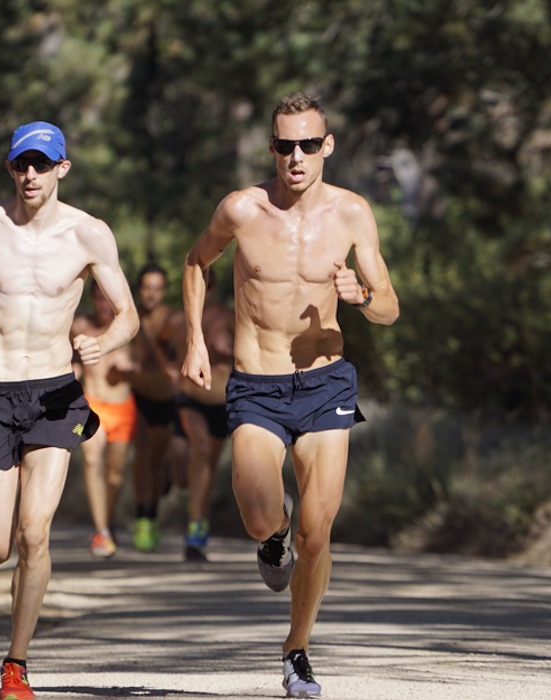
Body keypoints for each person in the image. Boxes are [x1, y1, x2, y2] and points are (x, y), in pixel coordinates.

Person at [182, 93, 399, 698]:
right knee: (259, 515)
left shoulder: (353, 213)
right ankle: (270, 539)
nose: (296, 157)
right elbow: (196, 263)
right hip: (256, 383)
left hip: (326, 382)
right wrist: (195, 342)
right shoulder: (242, 209)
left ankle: (296, 650)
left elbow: (389, 308)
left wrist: (361, 297)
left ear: (327, 146)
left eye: (308, 144)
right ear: (271, 148)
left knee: (318, 532)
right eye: (284, 145)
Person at [0, 121, 138, 700]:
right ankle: (14, 651)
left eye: (41, 165)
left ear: (62, 169)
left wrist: (105, 341)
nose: (30, 175)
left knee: (33, 533)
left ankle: (16, 665)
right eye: (21, 164)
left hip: (54, 394)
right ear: (10, 169)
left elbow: (128, 315)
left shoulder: (89, 235)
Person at [171, 268, 234, 562]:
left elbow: (254, 349)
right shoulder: (178, 319)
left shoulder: (228, 316)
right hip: (190, 398)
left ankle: (197, 526)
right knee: (201, 452)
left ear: (213, 289)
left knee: (205, 465)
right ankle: (195, 524)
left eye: (206, 287)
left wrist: (229, 354)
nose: (201, 293)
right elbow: (153, 341)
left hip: (221, 402)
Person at [72, 282, 137, 558]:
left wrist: (129, 370)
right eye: (98, 299)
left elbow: (145, 364)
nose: (103, 306)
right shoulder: (79, 326)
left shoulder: (129, 327)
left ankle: (106, 523)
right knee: (91, 457)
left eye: (107, 300)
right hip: (91, 406)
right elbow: (65, 357)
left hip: (122, 409)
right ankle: (101, 532)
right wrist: (72, 370)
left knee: (114, 476)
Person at [127, 263, 186, 552]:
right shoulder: (128, 316)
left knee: (156, 461)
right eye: (146, 287)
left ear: (163, 291)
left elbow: (182, 353)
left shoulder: (172, 320)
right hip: (136, 395)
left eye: (156, 288)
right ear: (139, 289)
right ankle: (144, 517)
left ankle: (157, 493)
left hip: (165, 399)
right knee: (142, 455)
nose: (151, 294)